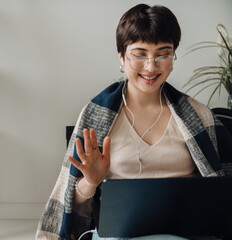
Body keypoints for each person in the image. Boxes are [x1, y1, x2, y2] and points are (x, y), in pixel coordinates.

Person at [36, 3, 232, 240]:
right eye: (139, 54)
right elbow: (73, 209)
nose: (151, 66)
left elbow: (220, 195)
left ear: (173, 56)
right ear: (121, 56)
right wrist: (90, 181)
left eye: (163, 53)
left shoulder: (198, 115)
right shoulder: (96, 114)